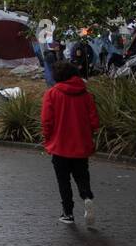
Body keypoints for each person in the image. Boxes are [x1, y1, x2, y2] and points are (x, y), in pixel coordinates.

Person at [41, 60, 99, 226]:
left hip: (59, 145)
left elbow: (47, 121)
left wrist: (47, 139)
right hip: (81, 145)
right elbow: (94, 121)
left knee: (63, 181)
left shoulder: (51, 94)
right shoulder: (86, 95)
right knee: (82, 176)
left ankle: (68, 212)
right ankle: (87, 197)